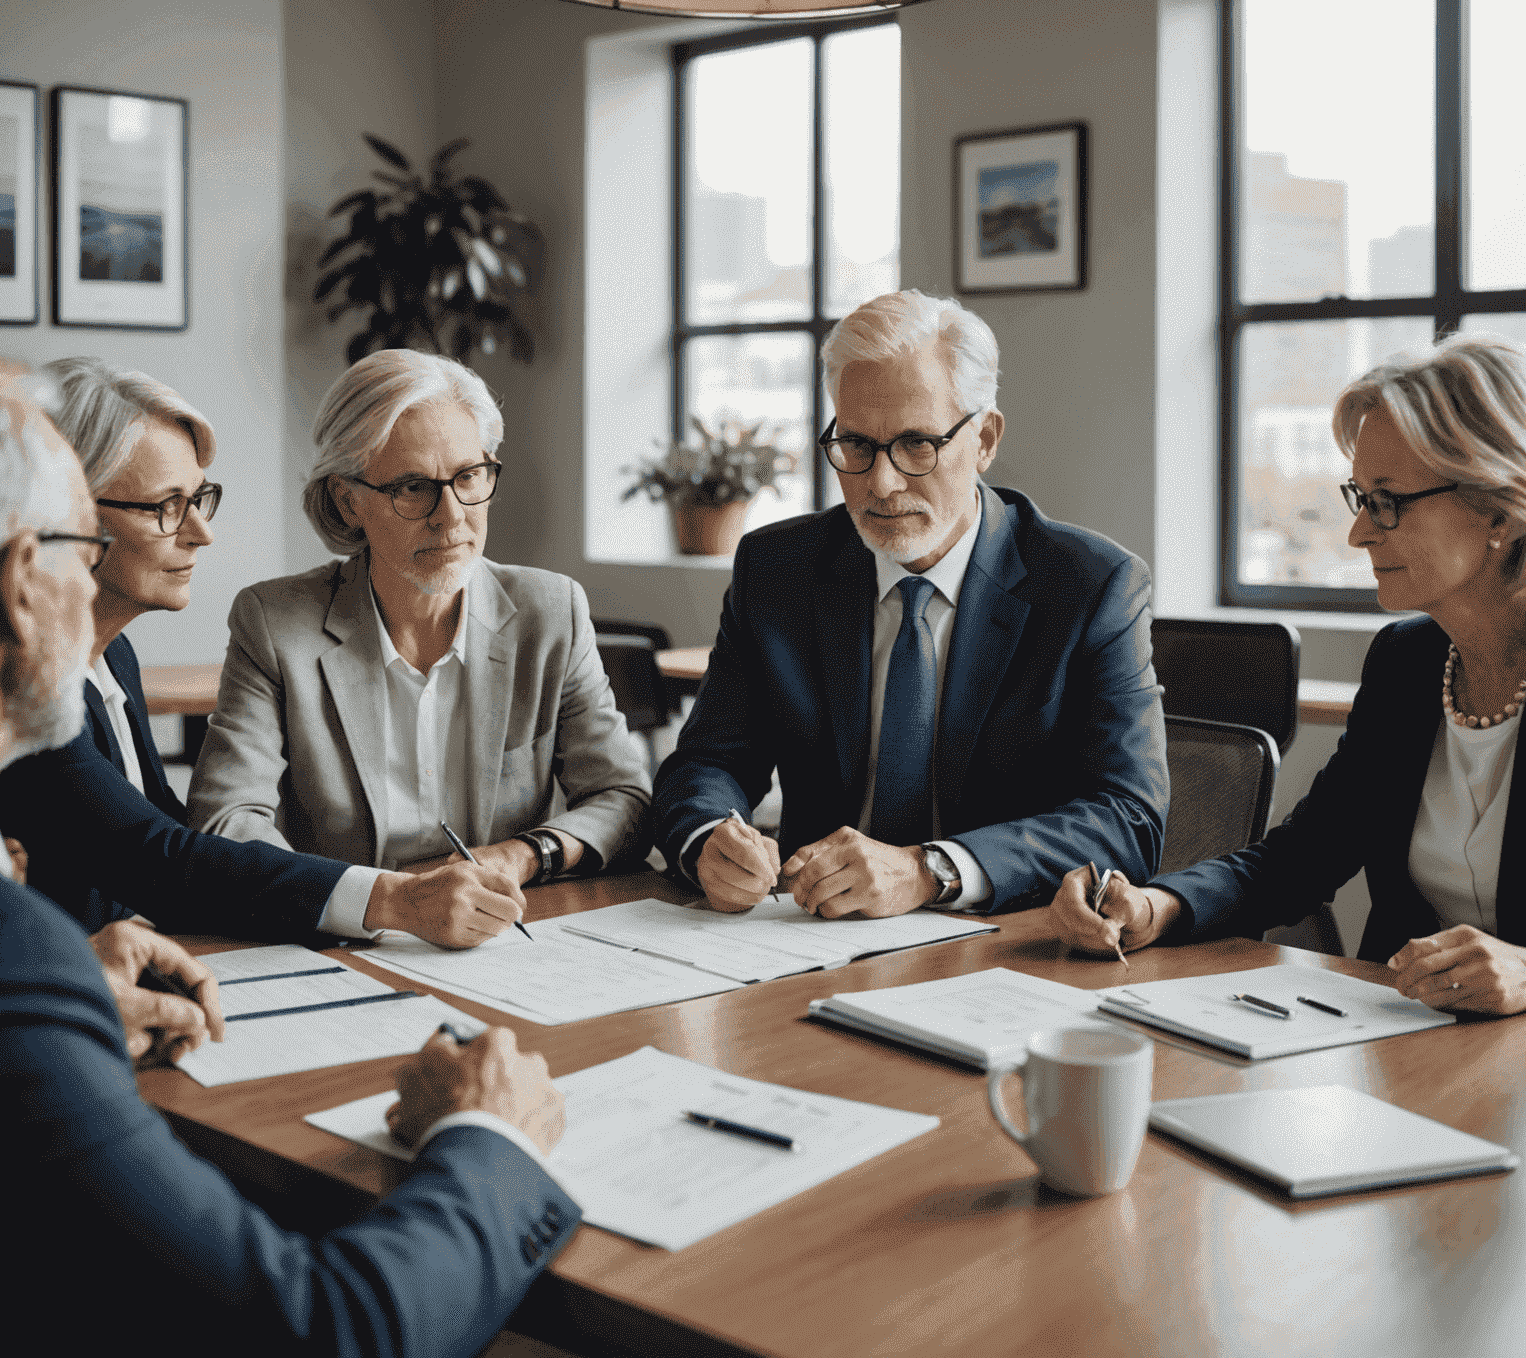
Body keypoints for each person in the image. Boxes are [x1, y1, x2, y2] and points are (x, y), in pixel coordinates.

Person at [0, 368, 581, 1354]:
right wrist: (494, 1134)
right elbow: (334, 1329)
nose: (201, 535)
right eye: (81, 542)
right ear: (21, 581)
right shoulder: (17, 956)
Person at [653, 289, 1168, 918]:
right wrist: (710, 839)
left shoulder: (1092, 586)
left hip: (1002, 943)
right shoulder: (778, 569)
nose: (882, 483)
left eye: (917, 444)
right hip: (811, 935)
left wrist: (931, 871)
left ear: (985, 439)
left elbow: (1127, 820)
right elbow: (707, 762)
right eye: (857, 446)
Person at [1052, 337, 1526, 1018]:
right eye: (1360, 496)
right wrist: (1157, 905)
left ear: (1501, 511)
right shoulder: (1407, 661)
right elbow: (1301, 859)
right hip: (1408, 1043)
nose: (1360, 532)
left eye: (1389, 500)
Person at [0, 357, 528, 949]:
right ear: (73, 512)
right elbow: (159, 858)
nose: (201, 532)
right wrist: (395, 900)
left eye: (200, 498)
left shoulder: (112, 659)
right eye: (168, 505)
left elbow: (177, 835)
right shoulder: (18, 683)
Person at [188, 349, 648, 913]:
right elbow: (226, 821)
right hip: (344, 944)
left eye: (469, 475)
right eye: (413, 487)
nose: (452, 515)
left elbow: (624, 797)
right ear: (348, 499)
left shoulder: (549, 611)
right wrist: (390, 903)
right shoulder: (277, 623)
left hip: (503, 933)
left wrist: (520, 856)